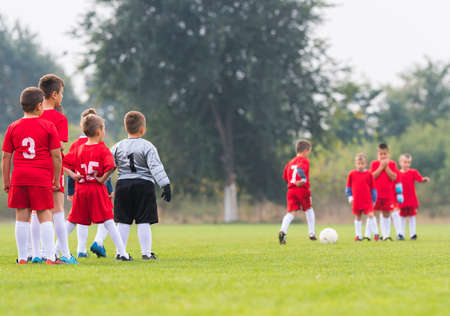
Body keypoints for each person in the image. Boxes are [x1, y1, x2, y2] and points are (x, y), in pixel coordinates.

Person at [98, 111, 171, 260]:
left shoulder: (117, 146)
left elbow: (109, 167)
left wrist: (104, 184)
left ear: (126, 128)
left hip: (123, 185)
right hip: (144, 185)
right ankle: (146, 253)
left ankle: (121, 253)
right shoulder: (148, 146)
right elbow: (155, 167)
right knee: (144, 220)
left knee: (123, 220)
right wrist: (165, 184)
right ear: (142, 129)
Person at [2, 87, 62, 264]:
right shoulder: (48, 126)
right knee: (44, 215)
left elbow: (6, 156)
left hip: (20, 176)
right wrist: (56, 179)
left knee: (22, 216)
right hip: (41, 176)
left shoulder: (12, 127)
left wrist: (7, 180)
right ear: (38, 106)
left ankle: (22, 257)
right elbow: (57, 155)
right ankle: (50, 256)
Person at [63, 114, 132, 261]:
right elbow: (112, 166)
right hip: (96, 190)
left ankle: (57, 250)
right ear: (99, 131)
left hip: (81, 190)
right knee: (108, 221)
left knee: (72, 221)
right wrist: (102, 179)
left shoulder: (79, 148)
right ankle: (123, 253)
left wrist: (73, 175)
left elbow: (64, 164)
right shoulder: (102, 149)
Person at [28, 74, 77, 264]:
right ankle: (64, 253)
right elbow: (61, 147)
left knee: (35, 211)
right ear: (54, 94)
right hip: (52, 168)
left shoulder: (33, 116)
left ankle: (34, 253)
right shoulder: (58, 118)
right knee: (57, 211)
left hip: (34, 167)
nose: (62, 97)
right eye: (62, 93)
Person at [64, 108, 113, 258]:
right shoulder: (98, 144)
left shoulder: (77, 144)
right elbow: (106, 169)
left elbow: (72, 169)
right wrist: (109, 188)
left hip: (81, 188)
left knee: (80, 218)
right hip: (97, 187)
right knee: (106, 215)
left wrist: (70, 191)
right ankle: (98, 242)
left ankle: (81, 249)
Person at [278, 139, 316, 244]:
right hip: (302, 189)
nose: (308, 154)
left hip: (291, 190)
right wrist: (303, 180)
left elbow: (285, 176)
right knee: (309, 209)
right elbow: (300, 169)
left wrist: (293, 181)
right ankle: (312, 233)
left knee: (290, 213)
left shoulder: (290, 162)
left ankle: (283, 231)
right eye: (309, 151)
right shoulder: (304, 160)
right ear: (305, 150)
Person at [370, 143, 403, 241]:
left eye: (385, 154)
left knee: (386, 214)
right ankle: (373, 234)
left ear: (389, 154)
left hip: (387, 194)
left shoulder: (392, 164)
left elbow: (394, 177)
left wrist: (386, 167)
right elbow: (372, 177)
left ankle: (386, 236)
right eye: (381, 154)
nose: (383, 156)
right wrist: (381, 167)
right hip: (376, 194)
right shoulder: (374, 164)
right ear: (378, 154)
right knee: (374, 213)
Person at [346, 153, 378, 241]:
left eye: (362, 163)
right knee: (357, 217)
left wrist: (374, 200)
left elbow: (373, 188)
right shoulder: (351, 174)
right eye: (358, 163)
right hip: (356, 200)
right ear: (355, 163)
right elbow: (348, 188)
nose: (360, 165)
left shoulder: (369, 174)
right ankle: (358, 236)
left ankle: (376, 234)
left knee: (371, 215)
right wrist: (350, 197)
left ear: (365, 164)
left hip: (367, 200)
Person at [397, 153, 430, 240]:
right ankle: (401, 234)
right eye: (405, 162)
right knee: (402, 217)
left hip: (411, 198)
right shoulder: (397, 173)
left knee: (412, 216)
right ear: (400, 162)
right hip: (401, 199)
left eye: (408, 162)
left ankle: (413, 234)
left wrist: (424, 179)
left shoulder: (413, 172)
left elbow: (420, 179)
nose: (406, 164)